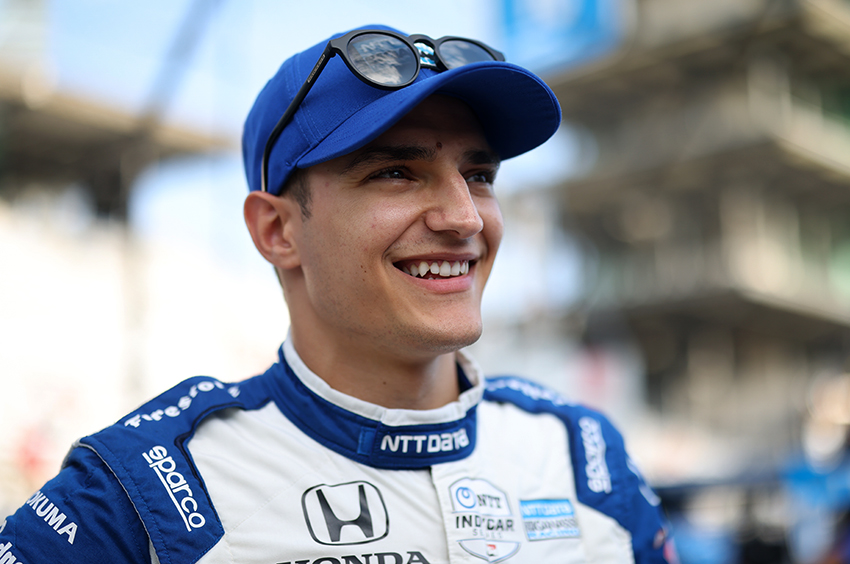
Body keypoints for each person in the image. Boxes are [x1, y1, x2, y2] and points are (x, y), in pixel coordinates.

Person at [0, 25, 675, 564]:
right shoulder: (144, 488)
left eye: (479, 175)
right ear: (277, 231)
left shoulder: (583, 454)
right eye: (396, 172)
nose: (465, 217)